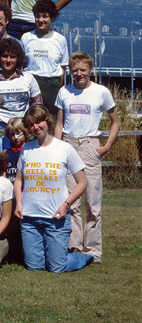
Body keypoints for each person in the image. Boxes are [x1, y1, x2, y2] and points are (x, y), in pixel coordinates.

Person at [55, 51, 120, 263]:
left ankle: (92, 250)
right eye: (74, 70)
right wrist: (58, 148)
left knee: (92, 202)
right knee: (71, 202)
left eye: (83, 70)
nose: (79, 74)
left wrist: (106, 146)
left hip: (90, 145)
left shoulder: (101, 92)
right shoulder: (64, 91)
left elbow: (115, 121)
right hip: (68, 144)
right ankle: (74, 246)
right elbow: (59, 123)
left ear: (90, 70)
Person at [14, 106, 93, 272]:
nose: (36, 127)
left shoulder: (64, 149)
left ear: (47, 121)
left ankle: (84, 256)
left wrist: (66, 204)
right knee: (35, 267)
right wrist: (19, 204)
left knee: (57, 267)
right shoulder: (27, 149)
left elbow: (82, 182)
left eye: (38, 122)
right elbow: (19, 180)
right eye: (31, 125)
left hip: (56, 219)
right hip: (30, 219)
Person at [0, 37, 42, 126]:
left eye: (12, 57)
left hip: (23, 125)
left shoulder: (28, 78)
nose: (8, 60)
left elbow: (38, 105)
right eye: (5, 56)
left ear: (18, 59)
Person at [21, 0, 69, 111]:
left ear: (52, 18)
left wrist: (56, 85)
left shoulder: (60, 40)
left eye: (45, 16)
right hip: (31, 83)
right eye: (37, 16)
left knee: (51, 119)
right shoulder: (26, 37)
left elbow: (63, 67)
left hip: (52, 86)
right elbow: (22, 63)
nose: (40, 20)